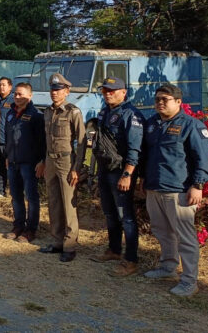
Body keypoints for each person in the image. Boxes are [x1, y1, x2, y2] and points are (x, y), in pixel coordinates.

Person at [142, 84, 208, 297]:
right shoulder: (152, 124)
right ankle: (167, 267)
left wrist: (197, 185)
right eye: (157, 99)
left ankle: (189, 281)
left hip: (179, 191)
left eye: (166, 99)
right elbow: (145, 156)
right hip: (154, 189)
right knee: (162, 232)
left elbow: (203, 158)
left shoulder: (192, 125)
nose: (160, 102)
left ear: (179, 102)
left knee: (185, 237)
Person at [90, 77, 145, 277]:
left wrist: (128, 174)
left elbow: (134, 149)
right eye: (105, 91)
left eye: (112, 91)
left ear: (124, 92)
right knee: (110, 213)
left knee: (126, 217)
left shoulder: (131, 115)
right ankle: (114, 250)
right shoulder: (105, 112)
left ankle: (131, 260)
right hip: (105, 170)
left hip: (121, 172)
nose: (108, 94)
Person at [36, 73, 85, 262]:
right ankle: (56, 241)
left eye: (58, 90)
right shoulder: (47, 112)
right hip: (50, 161)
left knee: (68, 203)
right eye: (52, 90)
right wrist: (42, 160)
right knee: (54, 202)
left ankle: (70, 245)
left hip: (66, 162)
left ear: (67, 91)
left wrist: (76, 168)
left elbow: (81, 143)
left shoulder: (73, 112)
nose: (54, 93)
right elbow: (46, 140)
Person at [4, 82, 45, 243]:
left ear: (30, 96)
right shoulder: (10, 114)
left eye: (20, 94)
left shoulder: (36, 116)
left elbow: (42, 142)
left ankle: (31, 230)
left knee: (31, 197)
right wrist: (8, 156)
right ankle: (18, 225)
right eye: (15, 94)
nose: (17, 96)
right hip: (13, 162)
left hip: (29, 164)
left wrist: (42, 161)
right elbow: (8, 138)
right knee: (15, 196)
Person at [0, 76, 14, 199]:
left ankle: (14, 190)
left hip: (9, 141)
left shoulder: (13, 100)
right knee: (0, 167)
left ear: (10, 87)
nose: (1, 87)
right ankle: (0, 191)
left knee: (12, 167)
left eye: (4, 85)